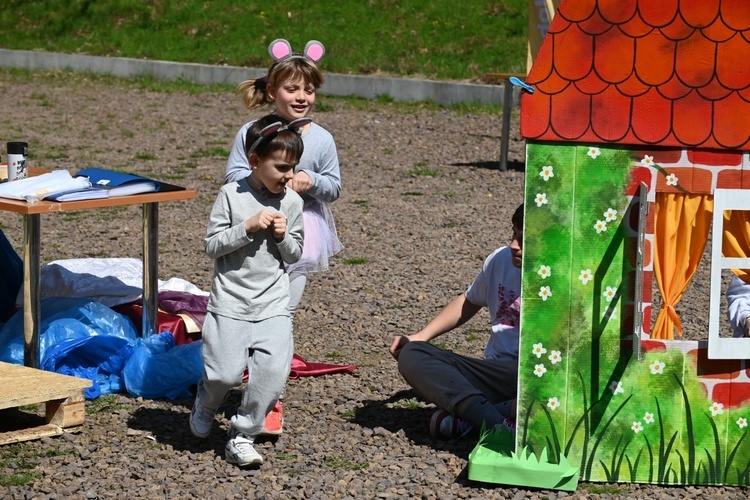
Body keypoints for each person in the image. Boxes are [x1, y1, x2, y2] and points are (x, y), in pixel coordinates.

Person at [225, 38, 343, 435]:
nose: (302, 96)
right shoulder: (251, 131)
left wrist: (312, 182)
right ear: (272, 91)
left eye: (308, 90)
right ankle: (237, 374)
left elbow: (335, 186)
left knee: (281, 316)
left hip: (301, 233)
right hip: (255, 230)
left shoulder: (322, 139)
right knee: (247, 310)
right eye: (293, 89)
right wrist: (261, 181)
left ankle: (270, 398)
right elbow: (233, 177)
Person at [190, 115, 306, 467]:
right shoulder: (230, 195)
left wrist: (284, 237)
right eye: (282, 167)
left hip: (273, 302)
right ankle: (207, 401)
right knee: (224, 373)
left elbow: (296, 253)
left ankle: (243, 433)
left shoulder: (292, 203)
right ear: (255, 161)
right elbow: (212, 245)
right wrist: (247, 226)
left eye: (293, 168)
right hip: (231, 300)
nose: (289, 176)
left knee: (272, 373)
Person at [389, 204, 524, 439]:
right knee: (412, 354)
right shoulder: (500, 259)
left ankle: (481, 418)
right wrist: (419, 337)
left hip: (539, 378)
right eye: (514, 234)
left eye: (524, 240)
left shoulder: (570, 276)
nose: (514, 245)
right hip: (497, 373)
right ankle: (498, 420)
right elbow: (469, 300)